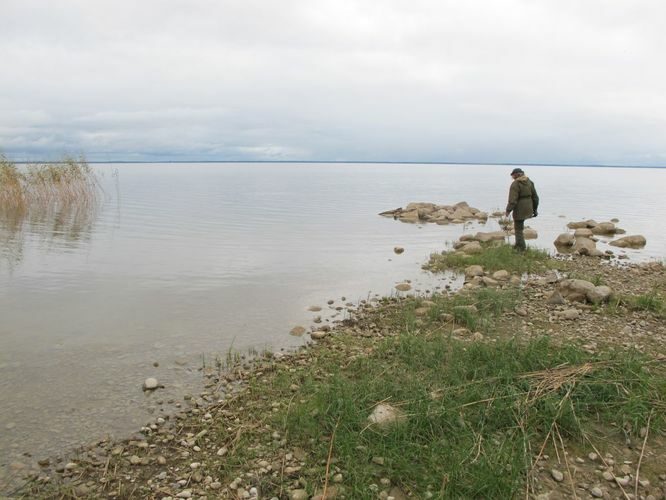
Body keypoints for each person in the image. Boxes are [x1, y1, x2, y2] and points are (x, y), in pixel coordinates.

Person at [505, 167, 539, 251]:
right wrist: (535, 209)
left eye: (512, 175)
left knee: (518, 229)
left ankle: (521, 248)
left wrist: (508, 210)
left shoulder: (515, 184)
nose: (512, 177)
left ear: (516, 175)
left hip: (520, 208)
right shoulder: (530, 182)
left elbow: (512, 200)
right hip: (529, 207)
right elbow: (535, 198)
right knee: (520, 227)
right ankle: (518, 245)